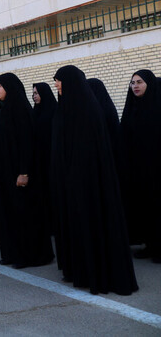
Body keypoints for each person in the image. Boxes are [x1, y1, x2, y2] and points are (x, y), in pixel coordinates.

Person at [52, 65, 138, 294]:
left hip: (88, 183)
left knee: (92, 224)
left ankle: (97, 274)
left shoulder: (88, 110)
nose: (56, 85)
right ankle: (80, 271)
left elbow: (89, 153)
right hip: (71, 183)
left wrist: (77, 174)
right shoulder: (65, 109)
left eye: (59, 81)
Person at [0, 73, 53, 268]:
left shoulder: (21, 110)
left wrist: (24, 172)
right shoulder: (2, 109)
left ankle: (29, 255)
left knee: (24, 214)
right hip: (4, 172)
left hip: (19, 173)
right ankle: (12, 253)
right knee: (8, 213)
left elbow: (27, 144)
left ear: (9, 87)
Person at [120, 69, 161, 263]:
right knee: (144, 208)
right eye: (132, 82)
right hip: (138, 170)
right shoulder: (131, 108)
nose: (135, 86)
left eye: (139, 82)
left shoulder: (157, 107)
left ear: (149, 84)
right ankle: (150, 245)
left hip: (156, 169)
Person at [31, 83, 57, 235]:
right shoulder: (35, 112)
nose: (34, 96)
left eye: (37, 93)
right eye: (33, 93)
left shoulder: (54, 111)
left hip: (51, 160)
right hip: (38, 160)